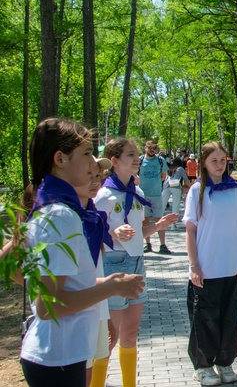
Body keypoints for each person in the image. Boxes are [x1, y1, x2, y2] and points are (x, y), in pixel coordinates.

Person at [20, 119, 144, 387]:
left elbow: (54, 284)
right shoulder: (62, 215)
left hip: (58, 355)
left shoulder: (53, 207)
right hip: (58, 358)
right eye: (86, 154)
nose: (93, 165)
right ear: (60, 159)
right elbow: (48, 306)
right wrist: (111, 288)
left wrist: (111, 285)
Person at [96, 137, 178, 387]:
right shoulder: (104, 195)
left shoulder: (137, 192)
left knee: (129, 334)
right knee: (109, 338)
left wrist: (157, 227)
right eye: (131, 155)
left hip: (137, 263)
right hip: (113, 265)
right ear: (114, 161)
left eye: (136, 155)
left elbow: (137, 234)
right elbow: (91, 234)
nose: (137, 159)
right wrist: (112, 234)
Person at [184, 142, 237, 386]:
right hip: (206, 268)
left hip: (232, 268)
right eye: (214, 160)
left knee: (229, 317)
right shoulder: (197, 191)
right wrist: (194, 265)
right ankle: (203, 366)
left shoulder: (235, 190)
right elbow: (190, 230)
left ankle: (225, 362)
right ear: (203, 163)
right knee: (205, 319)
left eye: (223, 160)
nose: (219, 165)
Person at [74, 156, 115, 387]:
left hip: (95, 307)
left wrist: (105, 315)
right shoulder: (62, 215)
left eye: (98, 175)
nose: (95, 181)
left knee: (90, 371)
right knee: (80, 372)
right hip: (73, 313)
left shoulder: (92, 212)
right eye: (89, 174)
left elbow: (95, 266)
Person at [138, 140, 171, 254]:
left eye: (154, 147)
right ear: (145, 148)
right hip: (143, 195)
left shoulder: (160, 161)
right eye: (149, 147)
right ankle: (147, 244)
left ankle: (162, 244)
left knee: (159, 219)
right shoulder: (140, 160)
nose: (152, 149)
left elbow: (163, 176)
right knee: (145, 219)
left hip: (157, 194)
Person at [163, 157, 190, 229]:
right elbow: (186, 180)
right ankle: (173, 225)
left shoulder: (169, 168)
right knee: (175, 206)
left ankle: (159, 222)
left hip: (166, 187)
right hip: (176, 187)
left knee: (162, 205)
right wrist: (191, 188)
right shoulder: (180, 169)